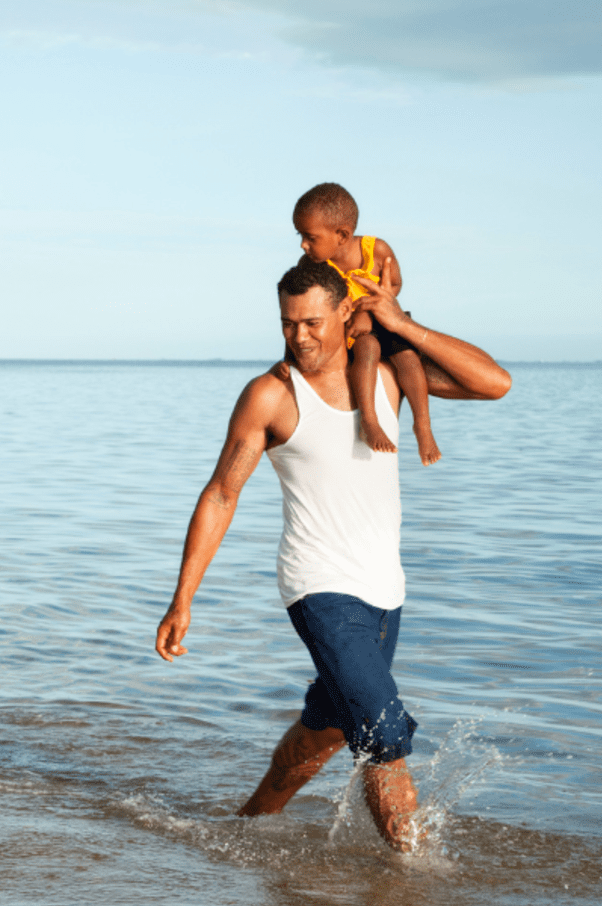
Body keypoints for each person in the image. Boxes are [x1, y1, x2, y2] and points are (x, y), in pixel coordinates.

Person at [154, 260, 510, 851]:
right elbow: (221, 493)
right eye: (288, 324)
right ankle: (412, 876)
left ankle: (247, 825)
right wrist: (182, 599)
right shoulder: (272, 394)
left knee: (325, 729)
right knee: (382, 728)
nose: (300, 338)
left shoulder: (391, 373)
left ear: (346, 313)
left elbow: (493, 383)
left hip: (385, 589)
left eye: (313, 323)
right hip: (317, 585)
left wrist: (405, 326)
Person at [291, 183, 441, 465]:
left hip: (384, 317)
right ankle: (369, 421)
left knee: (409, 359)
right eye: (300, 236)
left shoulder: (376, 249)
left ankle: (423, 425)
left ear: (342, 235)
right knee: (367, 350)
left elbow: (395, 283)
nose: (303, 244)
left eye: (310, 237)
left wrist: (370, 311)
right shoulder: (313, 266)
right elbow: (302, 312)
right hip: (356, 330)